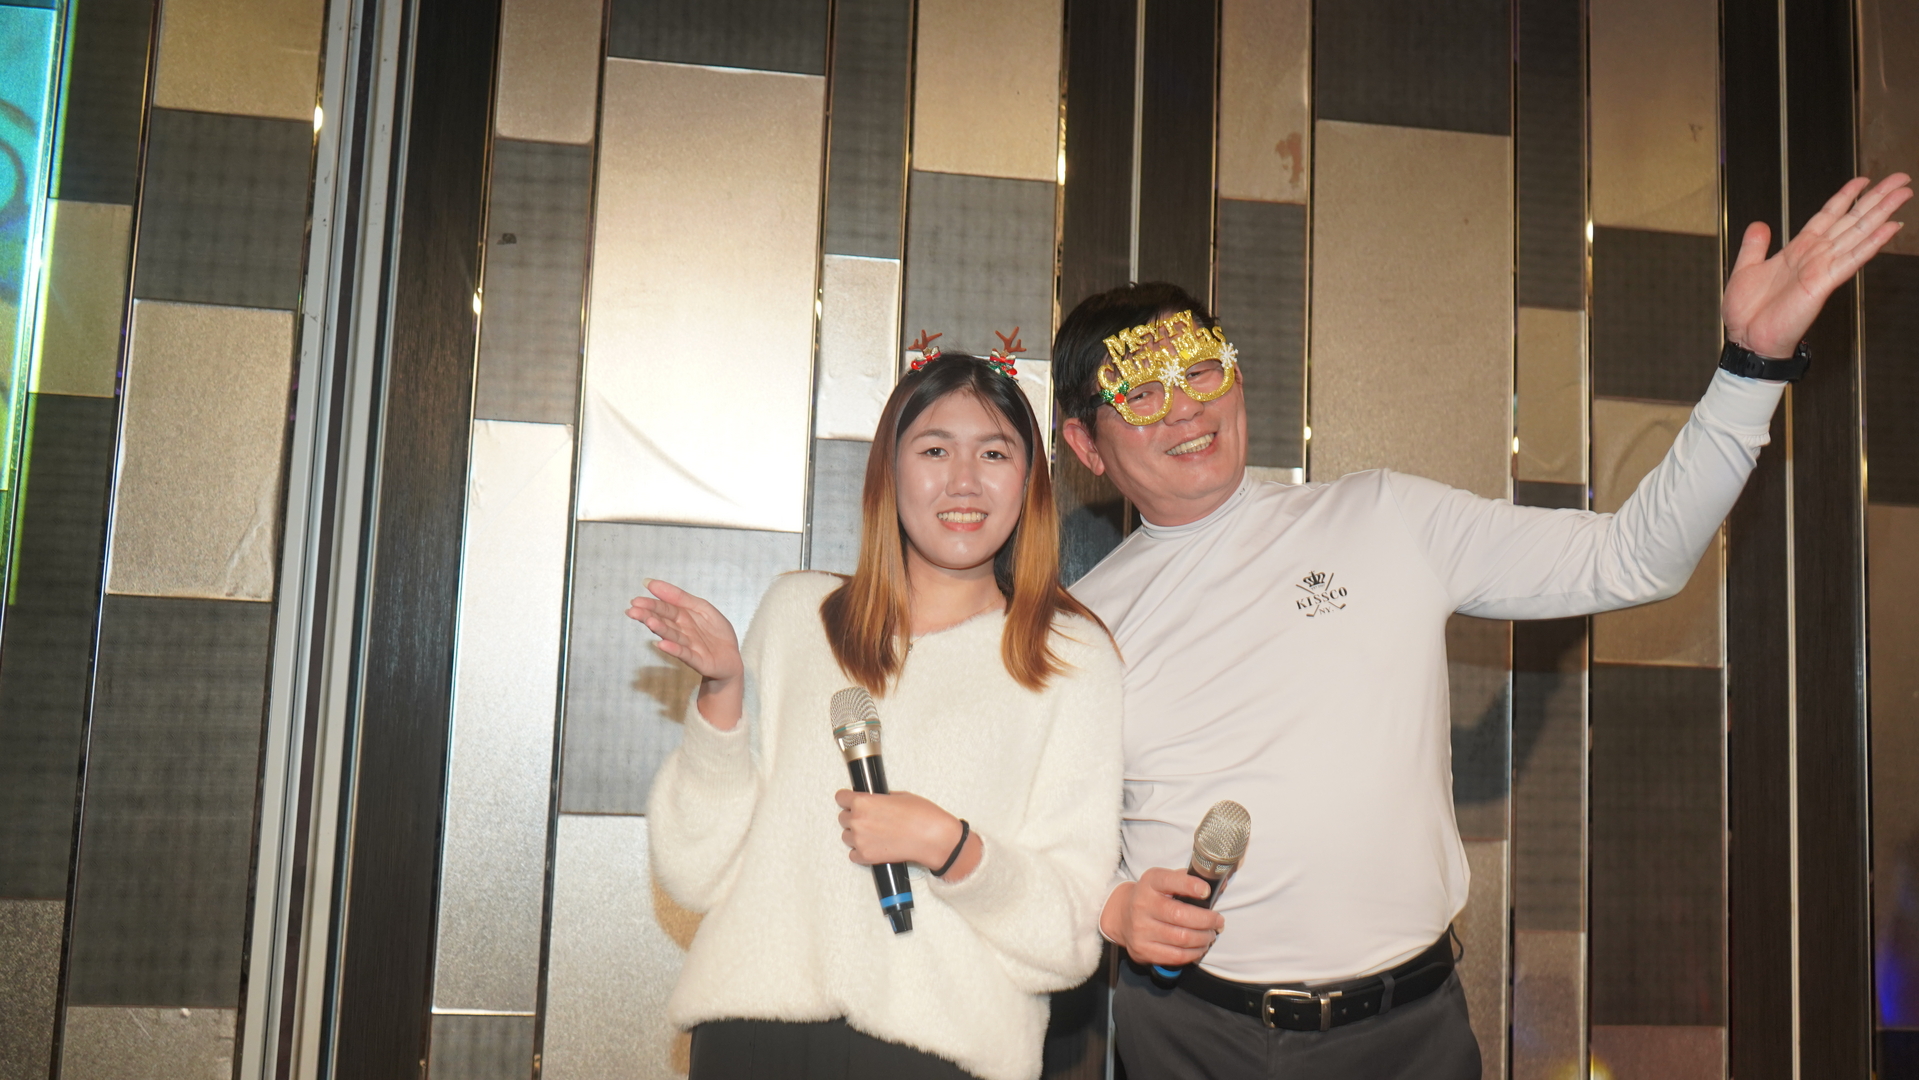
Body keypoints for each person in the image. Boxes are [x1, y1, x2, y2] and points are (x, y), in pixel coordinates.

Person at [1052, 174, 1912, 1078]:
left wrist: (1751, 366)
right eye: (1139, 392)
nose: (1185, 406)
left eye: (1199, 370)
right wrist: (1111, 903)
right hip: (1192, 1036)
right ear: (1084, 446)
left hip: (1407, 1034)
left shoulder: (1385, 518)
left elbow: (1636, 558)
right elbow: (1030, 844)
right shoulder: (1076, 627)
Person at [633, 348, 1123, 1080]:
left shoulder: (1069, 658)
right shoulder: (800, 615)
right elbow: (693, 871)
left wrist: (949, 845)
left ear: (1029, 482)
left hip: (938, 1053)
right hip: (749, 1035)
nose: (964, 481)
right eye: (934, 450)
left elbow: (1069, 939)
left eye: (994, 453)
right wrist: (722, 692)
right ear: (890, 473)